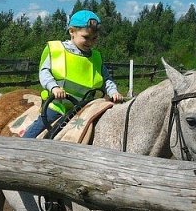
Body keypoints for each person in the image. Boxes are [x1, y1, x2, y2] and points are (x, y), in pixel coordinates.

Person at [22, 9, 123, 139]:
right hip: (58, 106)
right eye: (86, 37)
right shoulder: (57, 50)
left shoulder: (96, 58)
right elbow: (44, 72)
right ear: (72, 32)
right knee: (35, 131)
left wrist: (113, 92)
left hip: (85, 109)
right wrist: (54, 87)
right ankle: (20, 145)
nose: (90, 42)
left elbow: (106, 79)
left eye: (94, 38)